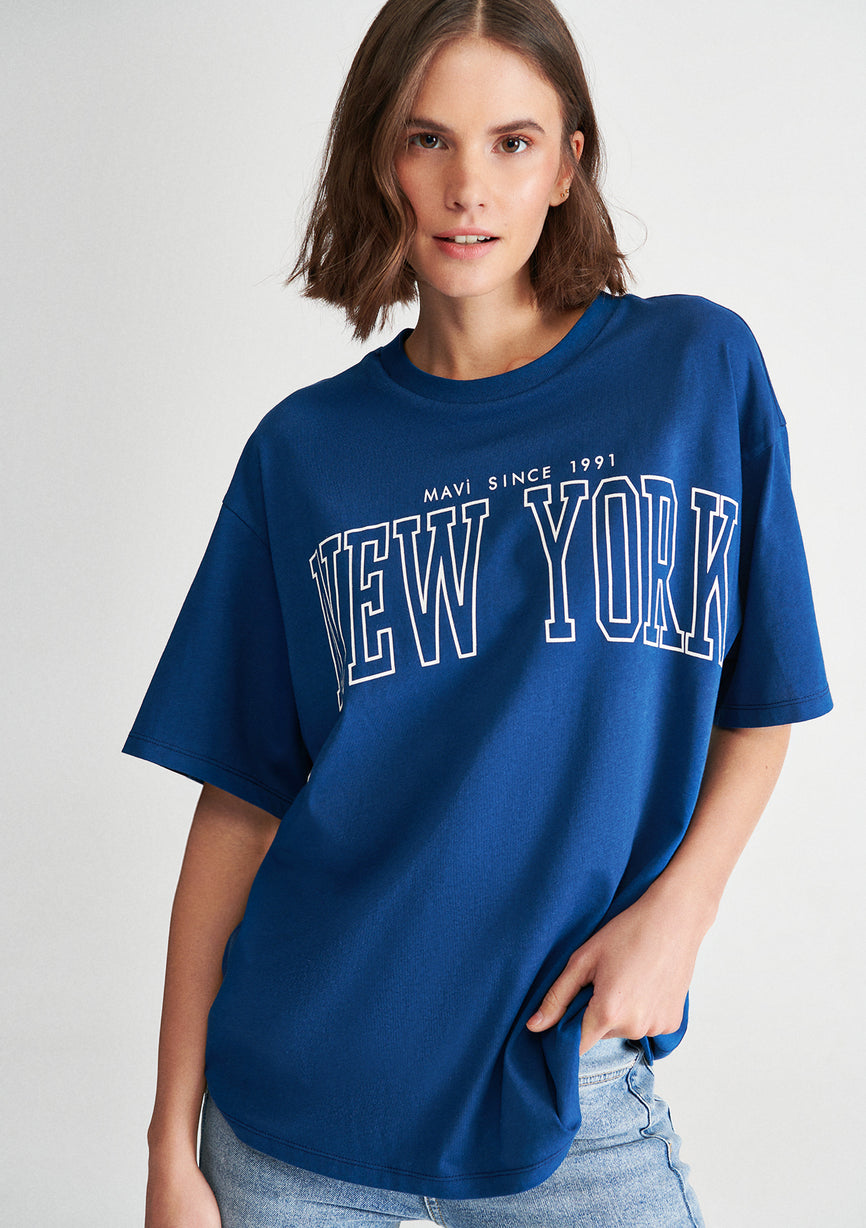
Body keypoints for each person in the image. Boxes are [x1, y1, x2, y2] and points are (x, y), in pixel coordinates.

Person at [126, 1, 832, 1225]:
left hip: (567, 1081)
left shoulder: (691, 373)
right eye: (427, 139)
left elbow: (762, 695)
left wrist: (681, 911)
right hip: (295, 1106)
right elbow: (239, 803)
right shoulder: (304, 452)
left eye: (511, 142)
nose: (467, 187)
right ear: (380, 160)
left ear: (566, 163)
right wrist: (167, 1145)